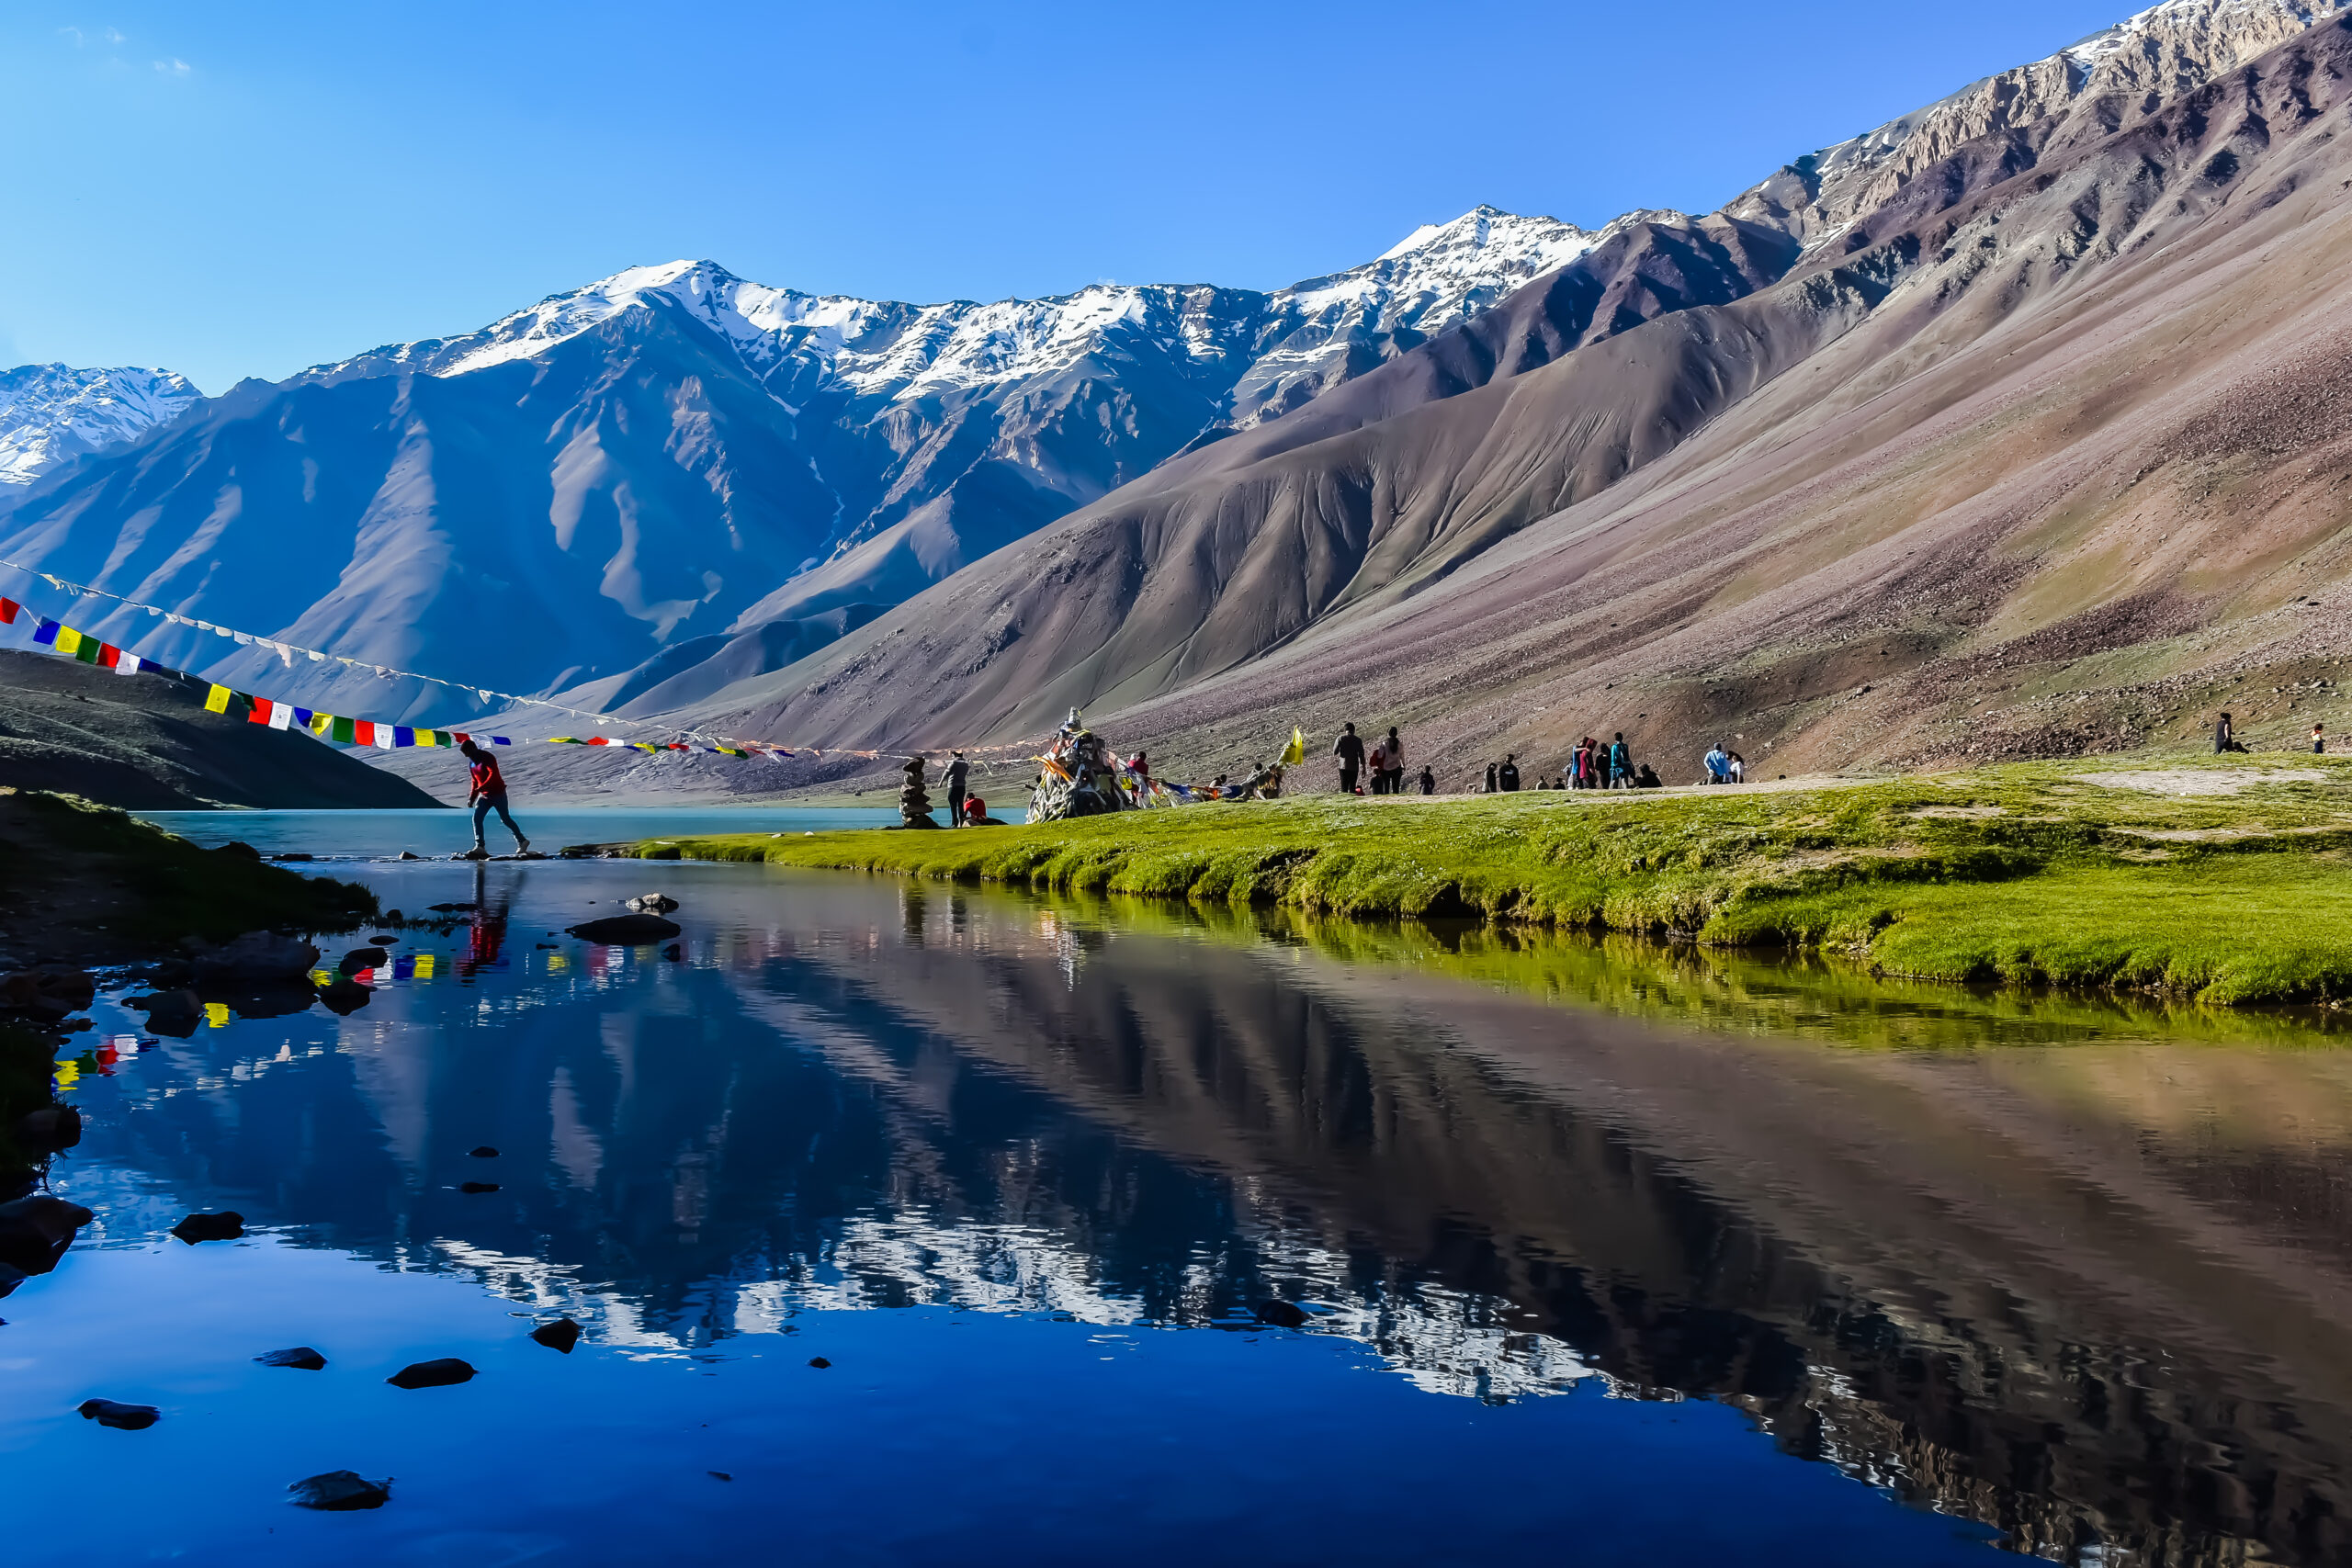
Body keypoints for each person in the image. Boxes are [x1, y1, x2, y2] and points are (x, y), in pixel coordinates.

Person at [460, 739, 528, 859]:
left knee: (505, 819)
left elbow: (493, 774)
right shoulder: (472, 763)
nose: (466, 756)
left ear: (472, 749)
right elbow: (474, 781)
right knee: (477, 818)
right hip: (484, 796)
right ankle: (480, 846)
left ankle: (522, 841)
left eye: (467, 753)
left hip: (498, 793)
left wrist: (483, 786)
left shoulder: (487, 757)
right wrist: (472, 798)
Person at [1333, 723, 1366, 795]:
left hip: (1343, 766)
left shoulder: (1340, 738)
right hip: (1354, 767)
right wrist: (1364, 768)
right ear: (1354, 730)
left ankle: (1344, 800)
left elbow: (1335, 752)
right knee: (1352, 788)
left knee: (1344, 788)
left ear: (1345, 730)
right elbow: (1361, 755)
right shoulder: (1358, 740)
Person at [944, 750, 971, 826]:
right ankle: (961, 822)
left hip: (953, 786)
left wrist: (941, 782)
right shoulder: (966, 764)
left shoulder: (953, 763)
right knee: (960, 804)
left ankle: (954, 822)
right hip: (962, 786)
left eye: (953, 755)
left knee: (953, 804)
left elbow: (946, 772)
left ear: (955, 755)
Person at [1381, 728, 1405, 795]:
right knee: (1396, 790)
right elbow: (1402, 756)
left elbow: (1380, 756)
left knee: (1386, 789)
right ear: (1396, 734)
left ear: (1388, 733)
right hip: (1396, 768)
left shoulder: (1384, 744)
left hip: (1385, 769)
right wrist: (1403, 765)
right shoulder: (1399, 744)